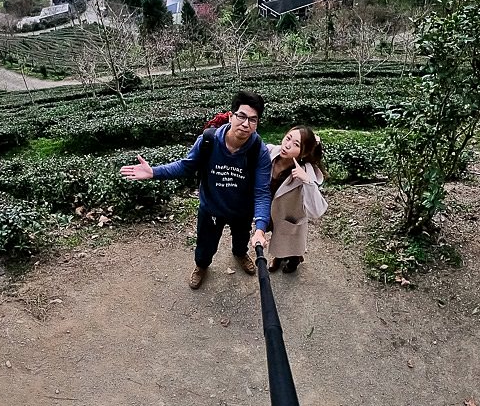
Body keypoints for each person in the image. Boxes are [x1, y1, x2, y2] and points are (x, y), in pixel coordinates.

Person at [120, 91, 271, 290]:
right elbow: (186, 166)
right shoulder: (209, 140)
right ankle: (201, 266)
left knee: (242, 239)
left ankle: (240, 253)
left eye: (253, 119)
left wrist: (260, 228)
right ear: (231, 115)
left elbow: (262, 192)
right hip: (211, 207)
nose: (246, 124)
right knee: (205, 245)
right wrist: (154, 172)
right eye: (241, 116)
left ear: (257, 123)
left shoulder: (258, 151)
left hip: (242, 210)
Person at [265, 125, 327, 273]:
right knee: (278, 237)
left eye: (296, 144)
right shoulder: (270, 153)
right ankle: (278, 257)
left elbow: (316, 211)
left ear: (303, 154)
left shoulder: (305, 172)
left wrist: (306, 181)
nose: (287, 145)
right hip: (272, 210)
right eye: (288, 138)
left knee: (291, 241)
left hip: (291, 216)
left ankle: (294, 261)